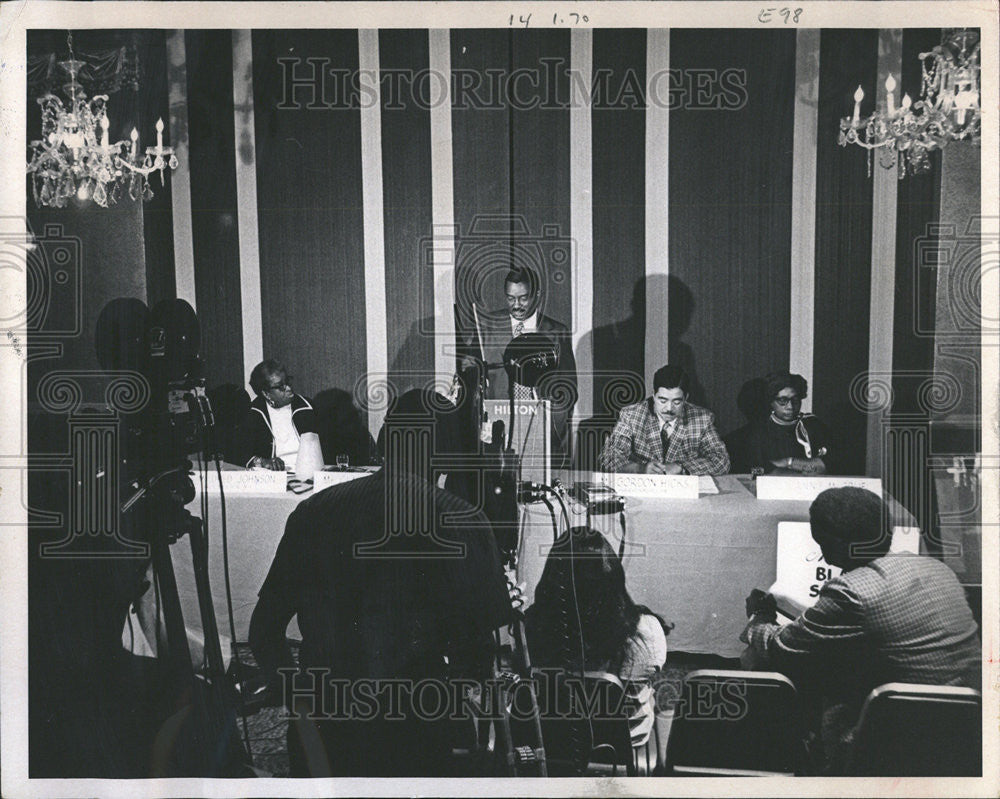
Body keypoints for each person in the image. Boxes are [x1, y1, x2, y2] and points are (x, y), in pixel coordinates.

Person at [248, 388, 512, 777]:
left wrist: (301, 702)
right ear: (443, 453)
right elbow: (478, 651)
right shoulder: (461, 519)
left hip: (322, 730)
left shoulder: (312, 511)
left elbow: (264, 630)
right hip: (415, 734)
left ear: (386, 441)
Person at [741, 487, 981, 773]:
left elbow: (782, 647)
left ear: (833, 543)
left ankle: (787, 765)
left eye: (821, 540)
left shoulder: (851, 591)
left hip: (894, 734)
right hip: (967, 723)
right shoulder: (936, 568)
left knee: (760, 662)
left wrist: (759, 617)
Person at [525, 527, 671, 750]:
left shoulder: (530, 627)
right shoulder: (647, 631)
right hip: (622, 745)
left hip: (552, 740)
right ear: (613, 574)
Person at [460, 266, 578, 468]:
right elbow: (470, 375)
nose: (516, 305)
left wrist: (549, 423)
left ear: (537, 295)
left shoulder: (556, 331)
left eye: (523, 299)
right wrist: (469, 368)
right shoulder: (486, 327)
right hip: (498, 425)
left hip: (539, 423)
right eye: (510, 298)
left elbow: (568, 388)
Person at [598, 364, 729, 475]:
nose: (669, 408)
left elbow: (721, 460)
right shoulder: (631, 415)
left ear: (686, 398)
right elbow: (608, 458)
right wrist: (640, 469)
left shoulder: (702, 419)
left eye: (677, 401)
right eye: (663, 400)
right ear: (654, 395)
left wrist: (683, 468)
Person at [725, 371, 833, 475]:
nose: (790, 407)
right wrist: (804, 467)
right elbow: (755, 471)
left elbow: (827, 465)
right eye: (782, 401)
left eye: (795, 400)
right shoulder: (758, 431)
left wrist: (788, 462)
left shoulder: (813, 425)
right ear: (771, 402)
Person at [236, 359, 320, 472]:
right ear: (266, 394)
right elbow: (239, 453)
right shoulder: (253, 414)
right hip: (275, 478)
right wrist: (262, 462)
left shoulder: (307, 407)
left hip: (309, 472)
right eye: (280, 386)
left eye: (288, 382)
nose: (289, 388)